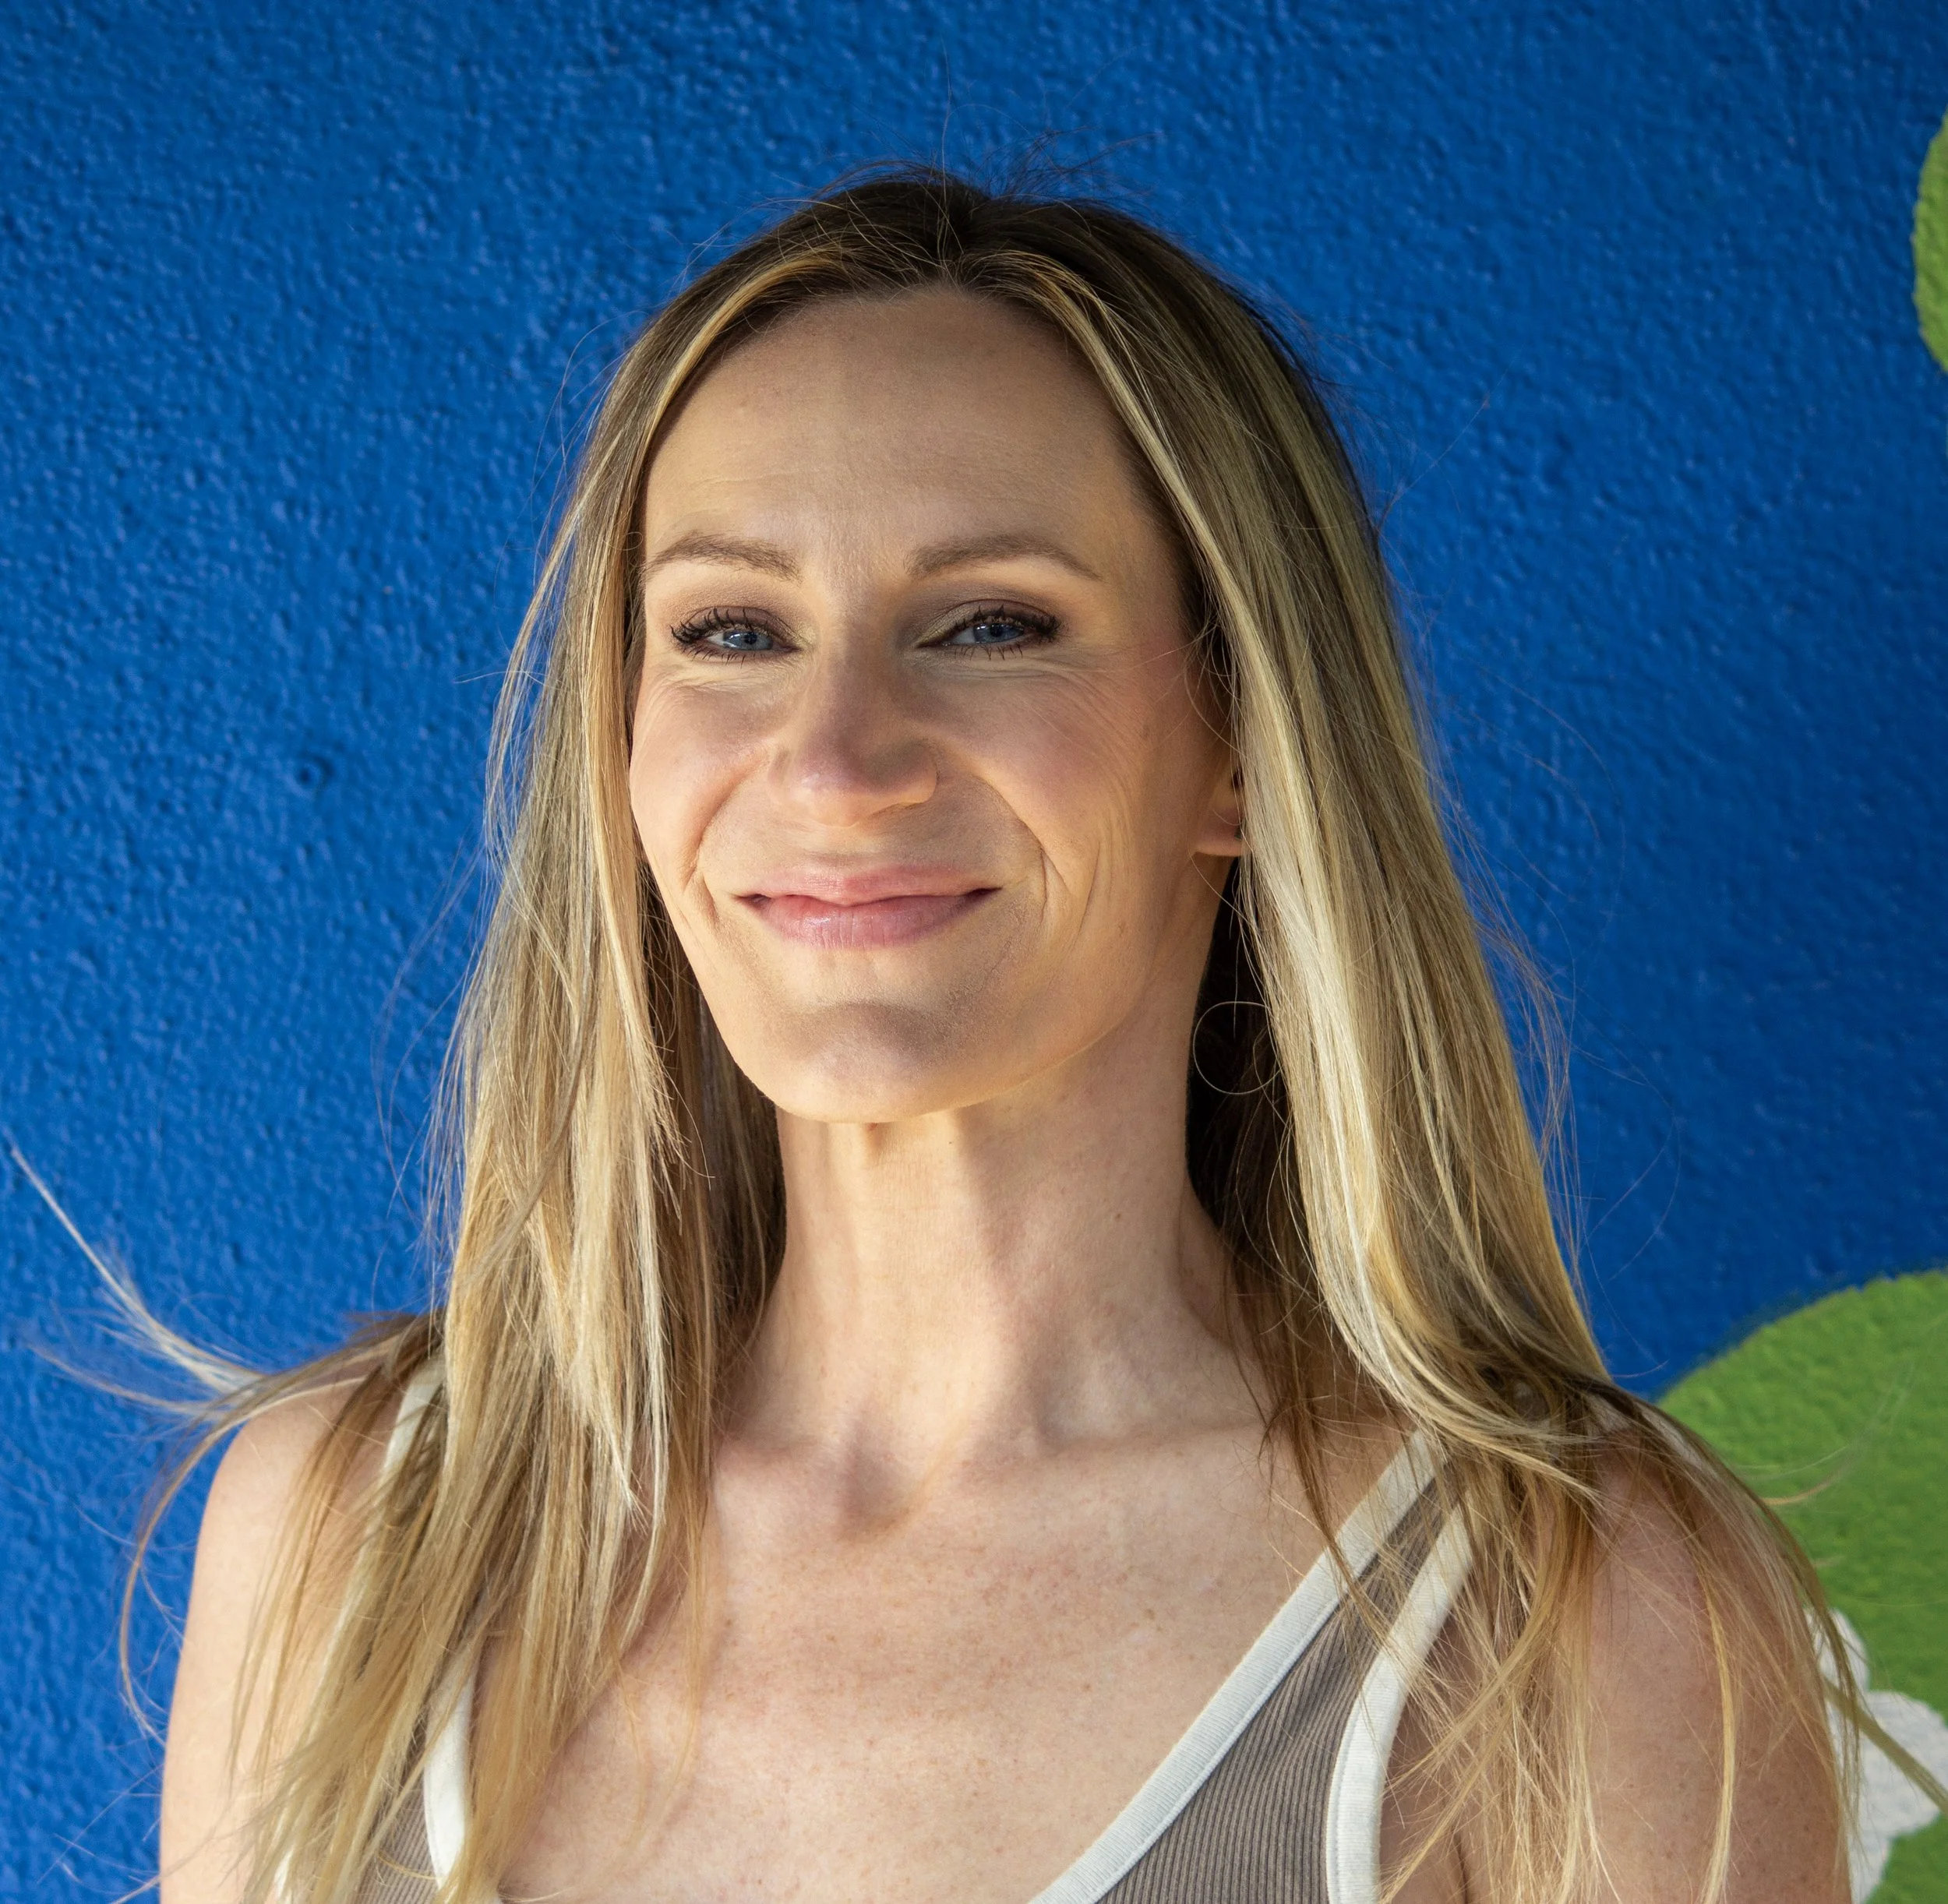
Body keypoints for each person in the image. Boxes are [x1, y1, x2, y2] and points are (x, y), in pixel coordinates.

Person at [157, 171, 1862, 1904]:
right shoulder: (349, 1536)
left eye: (990, 625)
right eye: (731, 631)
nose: (831, 761)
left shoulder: (1575, 1618)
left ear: (1241, 741)